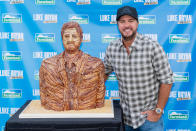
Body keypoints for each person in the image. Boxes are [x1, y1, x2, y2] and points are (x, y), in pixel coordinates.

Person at [104, 6, 173, 131]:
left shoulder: (152, 47)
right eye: (122, 21)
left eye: (130, 21)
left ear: (137, 23)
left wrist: (158, 111)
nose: (126, 25)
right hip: (125, 119)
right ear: (117, 24)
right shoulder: (112, 48)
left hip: (149, 121)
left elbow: (167, 81)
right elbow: (104, 73)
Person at [39, 21, 105, 111]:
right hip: (55, 116)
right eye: (66, 36)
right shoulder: (47, 65)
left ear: (81, 39)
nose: (70, 40)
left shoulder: (95, 64)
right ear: (62, 39)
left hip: (86, 116)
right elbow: (43, 93)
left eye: (74, 36)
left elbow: (100, 94)